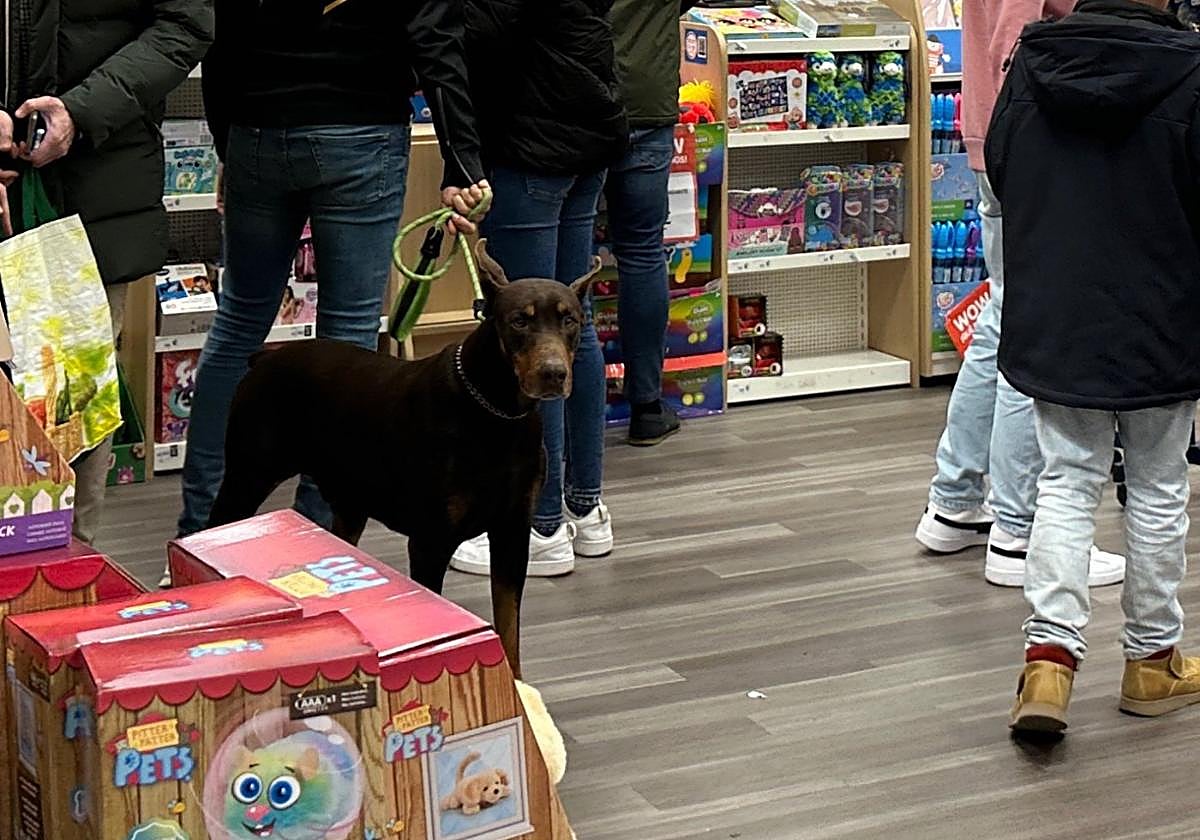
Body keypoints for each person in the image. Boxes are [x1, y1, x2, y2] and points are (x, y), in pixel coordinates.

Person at [175, 0, 489, 543]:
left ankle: (202, 535)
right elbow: (435, 39)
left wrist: (229, 141)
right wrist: (461, 160)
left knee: (236, 328)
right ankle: (315, 543)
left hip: (258, 128)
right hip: (361, 128)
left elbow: (218, 34)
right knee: (347, 338)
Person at [989, 0, 1200, 733]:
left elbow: (1001, 169)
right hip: (1164, 313)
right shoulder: (1191, 70)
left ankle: (1047, 664)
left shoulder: (1034, 64)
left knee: (1066, 478)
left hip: (1059, 307)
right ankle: (1152, 660)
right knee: (1157, 484)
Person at [913, 0, 1126, 589]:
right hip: (1028, 140)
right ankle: (1020, 529)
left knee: (1003, 317)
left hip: (996, 132)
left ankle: (954, 501)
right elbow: (1019, 42)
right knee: (1031, 324)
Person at [0, 0, 214, 544]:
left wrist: (81, 112)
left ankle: (62, 584)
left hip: (91, 189)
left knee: (71, 402)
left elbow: (186, 24)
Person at [449, 0, 627, 577]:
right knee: (574, 325)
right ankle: (585, 507)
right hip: (584, 129)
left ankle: (541, 523)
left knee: (531, 333)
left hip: (530, 139)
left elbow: (480, 30)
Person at [605, 0, 698, 446]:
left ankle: (564, 406)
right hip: (647, 104)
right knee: (642, 253)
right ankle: (645, 405)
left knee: (570, 258)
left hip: (577, 101)